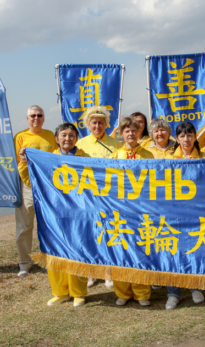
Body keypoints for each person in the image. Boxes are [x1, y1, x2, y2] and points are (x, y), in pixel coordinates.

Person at [20, 123, 89, 306]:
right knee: (54, 251)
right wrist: (24, 162)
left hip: (77, 213)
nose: (67, 139)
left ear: (77, 138)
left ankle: (78, 292)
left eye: (71, 135)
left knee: (77, 251)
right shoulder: (47, 159)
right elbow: (29, 179)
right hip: (53, 213)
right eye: (63, 135)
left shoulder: (85, 158)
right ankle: (60, 292)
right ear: (57, 139)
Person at [109, 116, 153, 307]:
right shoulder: (114, 156)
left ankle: (142, 293)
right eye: (127, 131)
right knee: (121, 249)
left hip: (143, 210)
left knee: (142, 249)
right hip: (121, 210)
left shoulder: (149, 155)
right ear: (121, 134)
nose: (131, 134)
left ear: (139, 132)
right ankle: (122, 292)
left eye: (134, 130)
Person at [76, 106, 122, 288]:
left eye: (101, 122)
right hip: (88, 196)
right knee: (91, 233)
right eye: (94, 122)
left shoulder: (115, 143)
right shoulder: (80, 144)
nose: (97, 125)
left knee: (109, 232)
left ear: (106, 124)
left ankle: (109, 272)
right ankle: (91, 272)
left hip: (110, 196)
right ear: (88, 124)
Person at [165, 122, 205, 309]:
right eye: (182, 136)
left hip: (197, 212)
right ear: (177, 138)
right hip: (173, 212)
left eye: (189, 135)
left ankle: (195, 287)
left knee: (194, 248)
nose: (186, 139)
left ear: (195, 137)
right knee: (172, 251)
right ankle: (173, 293)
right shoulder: (167, 158)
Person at [14, 105, 57, 278]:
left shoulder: (50, 136)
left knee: (48, 225)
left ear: (44, 118)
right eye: (32, 115)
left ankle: (48, 260)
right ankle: (25, 263)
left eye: (39, 115)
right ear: (27, 118)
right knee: (25, 226)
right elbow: (14, 163)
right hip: (27, 186)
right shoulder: (20, 137)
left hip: (48, 187)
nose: (36, 118)